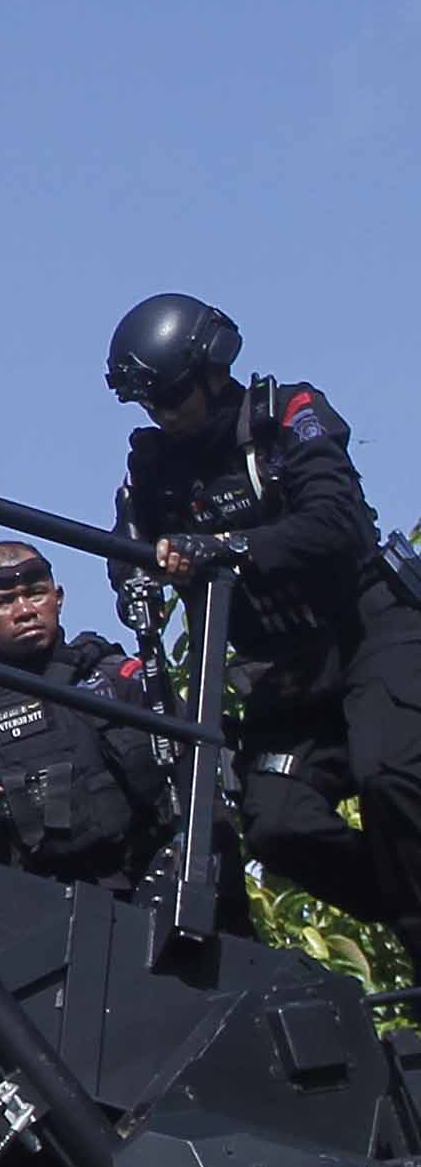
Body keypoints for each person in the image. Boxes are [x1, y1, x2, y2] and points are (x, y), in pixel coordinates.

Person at [110, 293, 421, 940]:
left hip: (365, 631)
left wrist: (227, 549)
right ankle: (405, 911)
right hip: (285, 673)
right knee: (278, 825)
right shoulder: (155, 464)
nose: (162, 416)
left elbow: (336, 523)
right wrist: (135, 578)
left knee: (388, 778)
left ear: (212, 371)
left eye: (170, 398)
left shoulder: (285, 418)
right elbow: (129, 548)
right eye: (149, 404)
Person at [0, 541, 170, 888]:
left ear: (58, 598)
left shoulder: (118, 679)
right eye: (3, 601)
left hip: (135, 886)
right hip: (24, 904)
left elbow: (190, 782)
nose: (24, 610)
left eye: (35, 593)